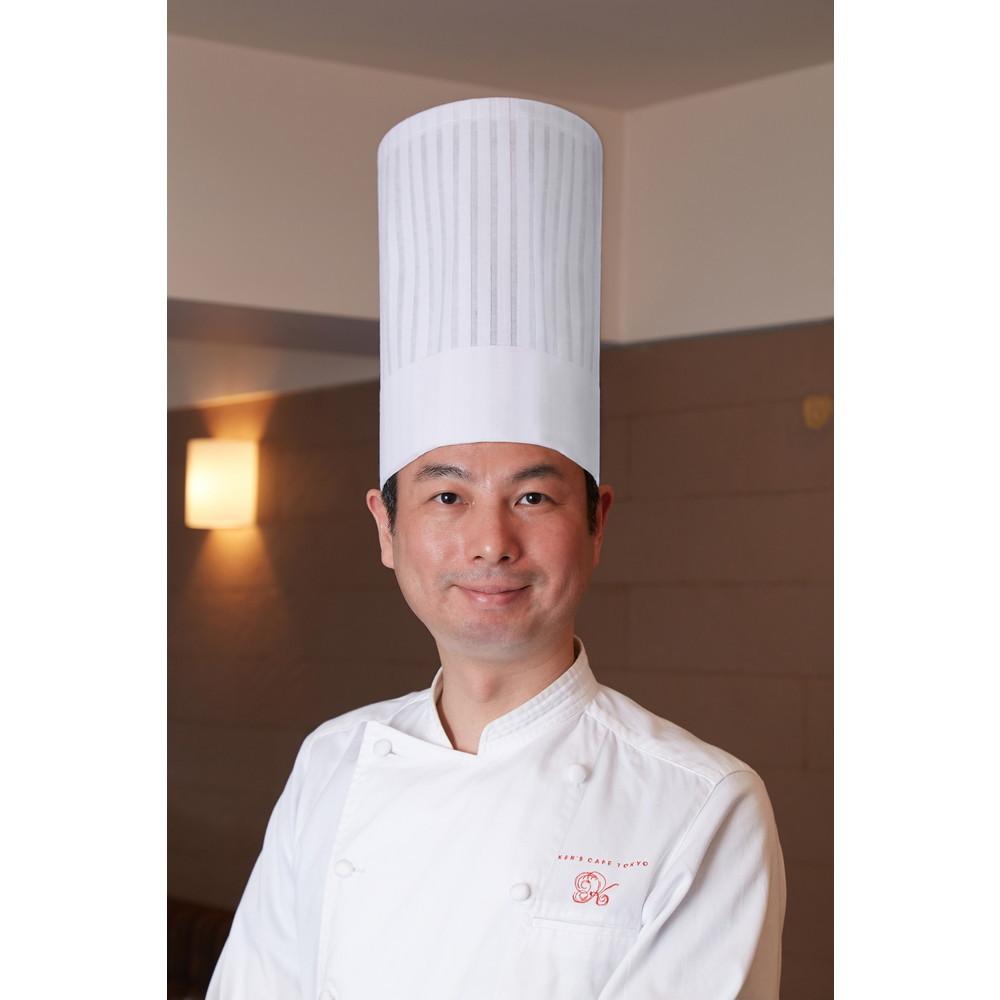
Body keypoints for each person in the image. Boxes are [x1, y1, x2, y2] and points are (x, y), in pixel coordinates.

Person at [207, 97, 785, 1000]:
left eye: (533, 496)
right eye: (447, 496)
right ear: (385, 528)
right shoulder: (334, 759)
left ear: (597, 522)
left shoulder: (701, 803)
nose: (491, 542)